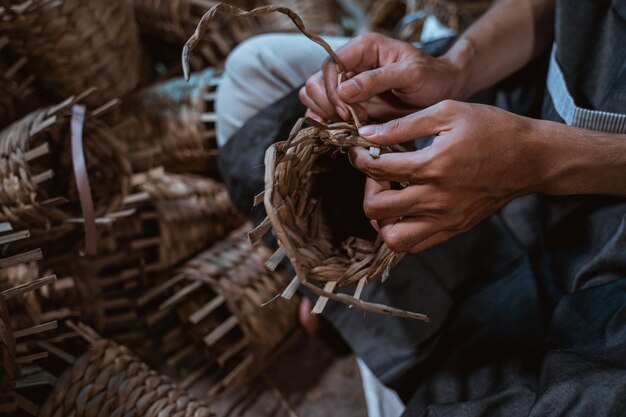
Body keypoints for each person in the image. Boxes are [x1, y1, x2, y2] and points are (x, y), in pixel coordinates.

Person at [216, 0, 626, 416]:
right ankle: (374, 340)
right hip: (513, 105)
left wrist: (541, 160)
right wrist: (456, 68)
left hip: (610, 275)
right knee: (253, 72)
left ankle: (374, 345)